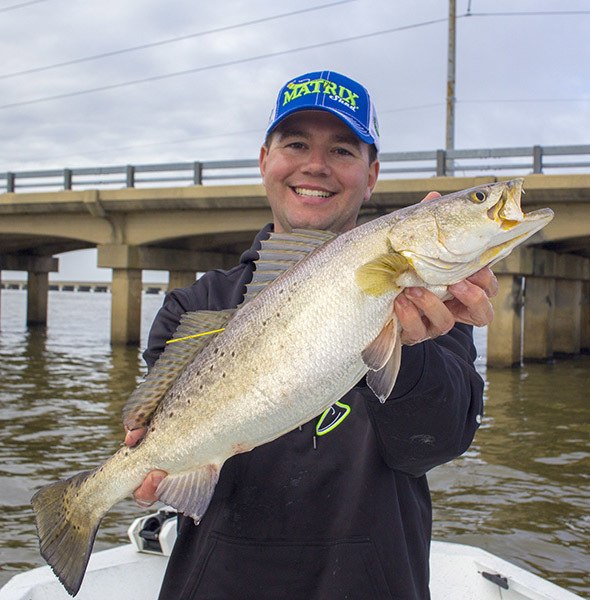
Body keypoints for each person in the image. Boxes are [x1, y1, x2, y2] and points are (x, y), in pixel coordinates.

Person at [125, 70, 496, 599]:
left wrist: (411, 353)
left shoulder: (430, 298)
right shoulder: (197, 306)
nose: (316, 165)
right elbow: (164, 440)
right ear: (264, 161)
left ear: (372, 176)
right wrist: (151, 464)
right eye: (296, 143)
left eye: (343, 150)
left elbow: (433, 445)